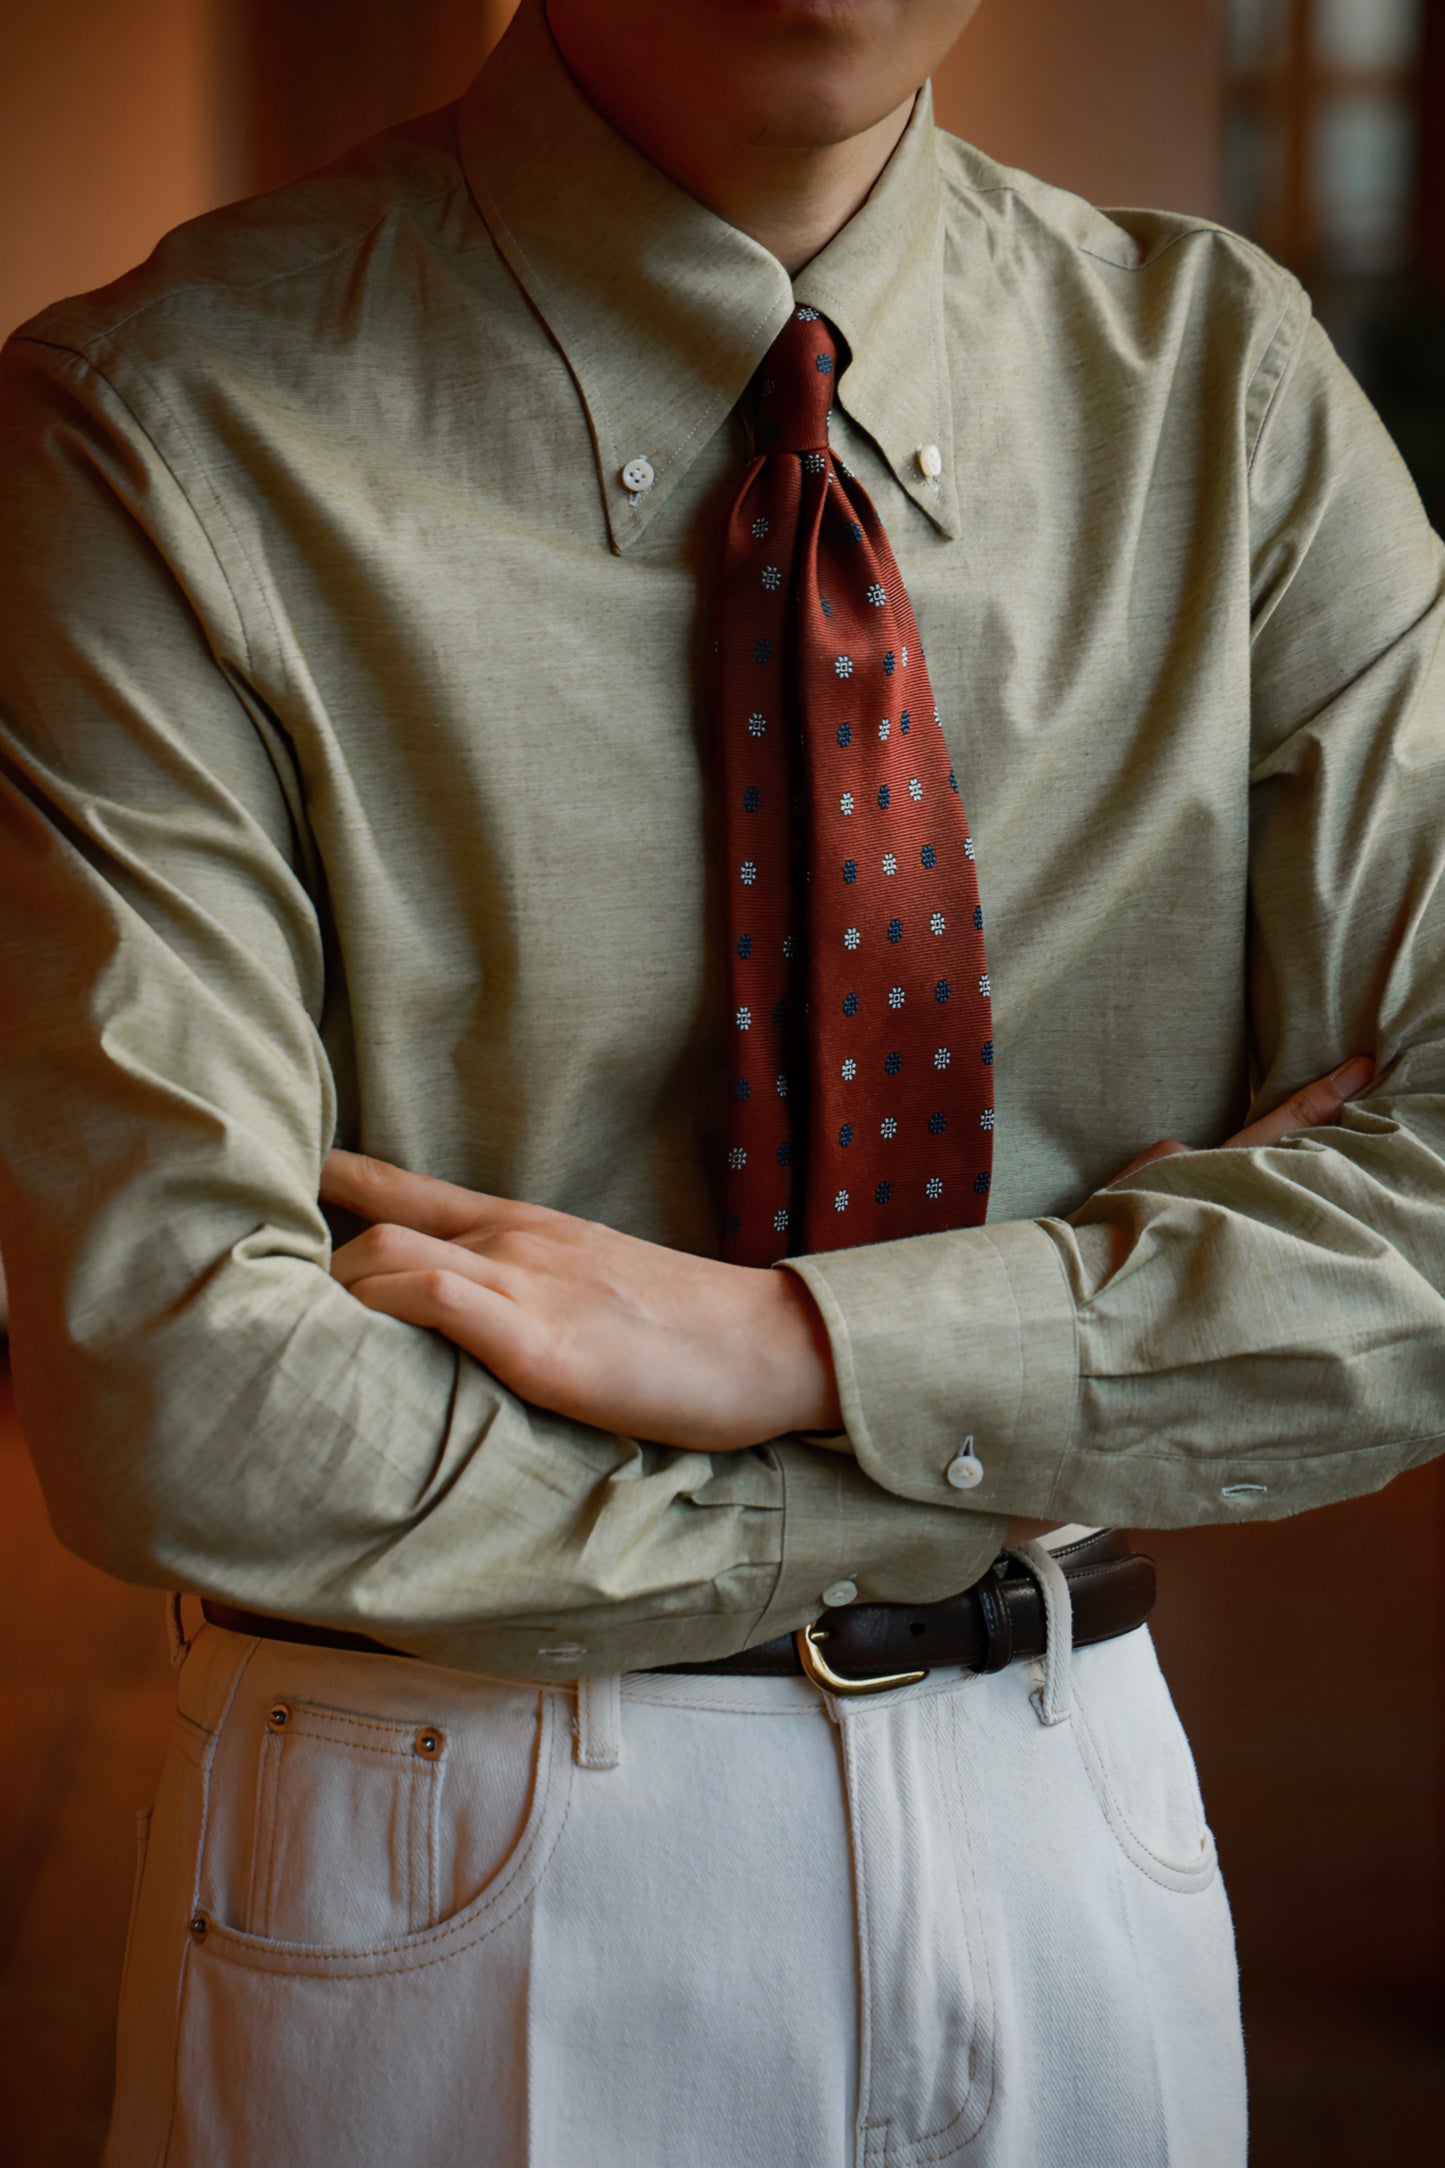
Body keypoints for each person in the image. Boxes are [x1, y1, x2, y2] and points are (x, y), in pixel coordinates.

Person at [1, 0, 1442, 2161]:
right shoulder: (151, 425)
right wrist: (1052, 1397)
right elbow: (187, 1390)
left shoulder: (1228, 394)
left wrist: (780, 1346)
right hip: (438, 1854)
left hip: (1081, 1817)